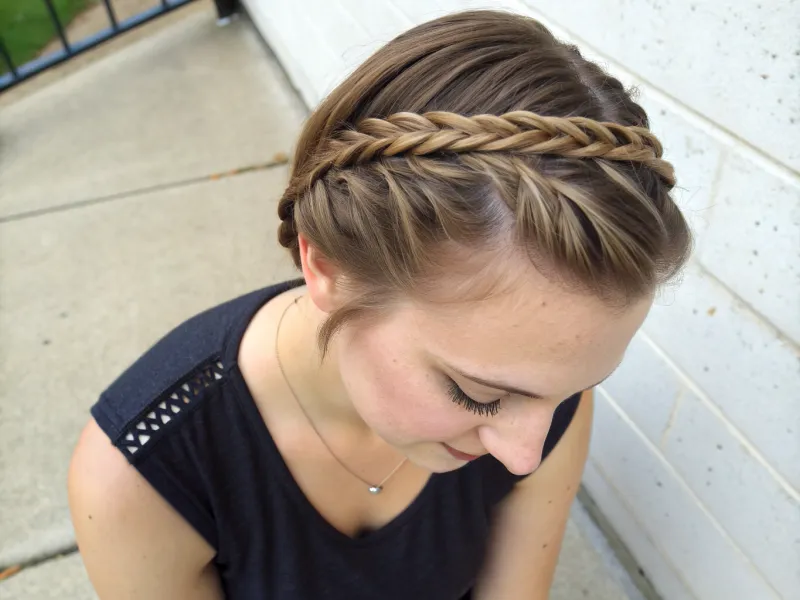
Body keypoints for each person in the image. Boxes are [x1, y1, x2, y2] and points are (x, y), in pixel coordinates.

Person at [68, 9, 691, 600]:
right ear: (327, 269)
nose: (526, 454)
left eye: (570, 392)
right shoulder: (141, 479)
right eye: (476, 394)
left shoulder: (544, 385)